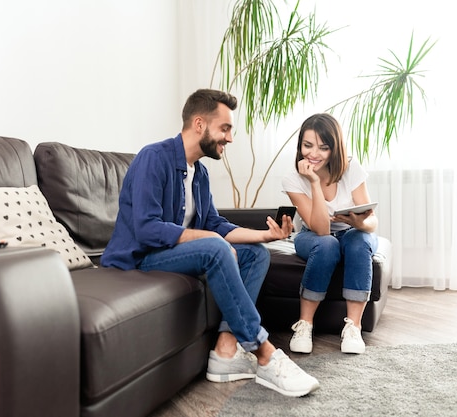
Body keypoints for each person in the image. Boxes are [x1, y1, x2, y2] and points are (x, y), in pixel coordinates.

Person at [101, 88, 319, 397]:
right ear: (200, 124)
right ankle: (265, 354)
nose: (230, 138)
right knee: (215, 246)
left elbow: (215, 224)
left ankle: (225, 351)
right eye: (226, 128)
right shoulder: (154, 157)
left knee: (256, 255)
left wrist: (267, 236)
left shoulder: (199, 174)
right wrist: (211, 238)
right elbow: (148, 230)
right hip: (140, 258)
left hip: (172, 254)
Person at [282, 113, 379, 354]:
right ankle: (305, 324)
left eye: (323, 148)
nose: (313, 154)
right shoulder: (293, 179)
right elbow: (321, 229)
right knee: (327, 244)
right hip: (312, 236)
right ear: (300, 146)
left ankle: (353, 327)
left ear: (334, 149)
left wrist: (359, 223)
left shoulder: (351, 168)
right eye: (307, 146)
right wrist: (314, 182)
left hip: (351, 232)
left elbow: (372, 222)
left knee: (360, 241)